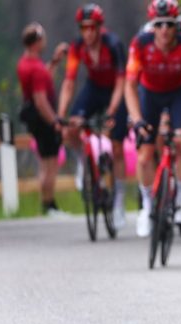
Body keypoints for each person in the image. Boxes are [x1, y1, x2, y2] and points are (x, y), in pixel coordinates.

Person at [125, 0, 181, 237]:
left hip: (178, 94)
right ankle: (147, 208)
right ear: (152, 26)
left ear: (177, 26)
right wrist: (137, 119)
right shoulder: (140, 44)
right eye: (158, 24)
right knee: (145, 154)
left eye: (169, 25)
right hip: (149, 94)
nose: (164, 30)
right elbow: (129, 86)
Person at [57, 3, 129, 228]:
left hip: (115, 91)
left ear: (99, 28)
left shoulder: (113, 45)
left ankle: (118, 201)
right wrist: (61, 115)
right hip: (94, 87)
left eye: (92, 28)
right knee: (71, 128)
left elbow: (121, 82)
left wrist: (112, 111)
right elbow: (69, 82)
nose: (88, 33)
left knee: (116, 146)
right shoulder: (77, 47)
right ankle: (84, 163)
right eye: (84, 28)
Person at [16, 22, 69, 216]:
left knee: (44, 163)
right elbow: (40, 101)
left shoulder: (26, 63)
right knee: (50, 163)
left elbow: (43, 78)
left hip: (35, 120)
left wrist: (54, 61)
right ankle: (50, 204)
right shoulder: (35, 69)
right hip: (43, 120)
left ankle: (46, 204)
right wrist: (54, 120)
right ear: (37, 42)